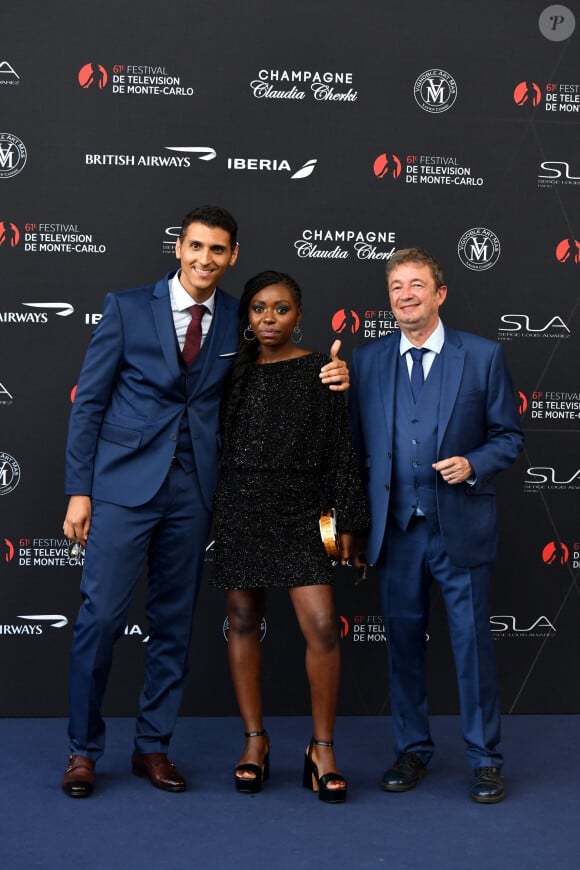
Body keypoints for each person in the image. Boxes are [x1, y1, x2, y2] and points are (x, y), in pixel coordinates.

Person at [61, 207, 350, 798]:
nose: (204, 259)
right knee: (100, 620)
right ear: (179, 248)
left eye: (217, 250)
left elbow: (279, 368)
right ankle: (83, 750)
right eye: (196, 247)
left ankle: (153, 747)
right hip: (121, 489)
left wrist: (336, 371)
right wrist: (79, 490)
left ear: (232, 257)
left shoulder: (236, 325)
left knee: (172, 625)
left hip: (195, 495)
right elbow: (88, 403)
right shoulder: (125, 306)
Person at [349, 247, 523, 804]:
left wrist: (474, 463)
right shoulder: (367, 360)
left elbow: (509, 437)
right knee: (402, 645)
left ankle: (485, 758)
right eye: (397, 286)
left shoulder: (482, 356)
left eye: (417, 285)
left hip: (460, 526)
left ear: (440, 293)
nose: (405, 295)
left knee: (472, 645)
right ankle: (413, 749)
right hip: (395, 531)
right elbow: (355, 448)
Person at [210, 270, 369, 803]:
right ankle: (254, 742)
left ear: (299, 314)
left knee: (323, 626)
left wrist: (347, 518)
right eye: (258, 309)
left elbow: (340, 450)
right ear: (247, 317)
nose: (269, 318)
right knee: (242, 619)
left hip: (303, 511)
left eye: (280, 309)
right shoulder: (232, 374)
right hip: (241, 505)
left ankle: (321, 748)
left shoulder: (323, 371)